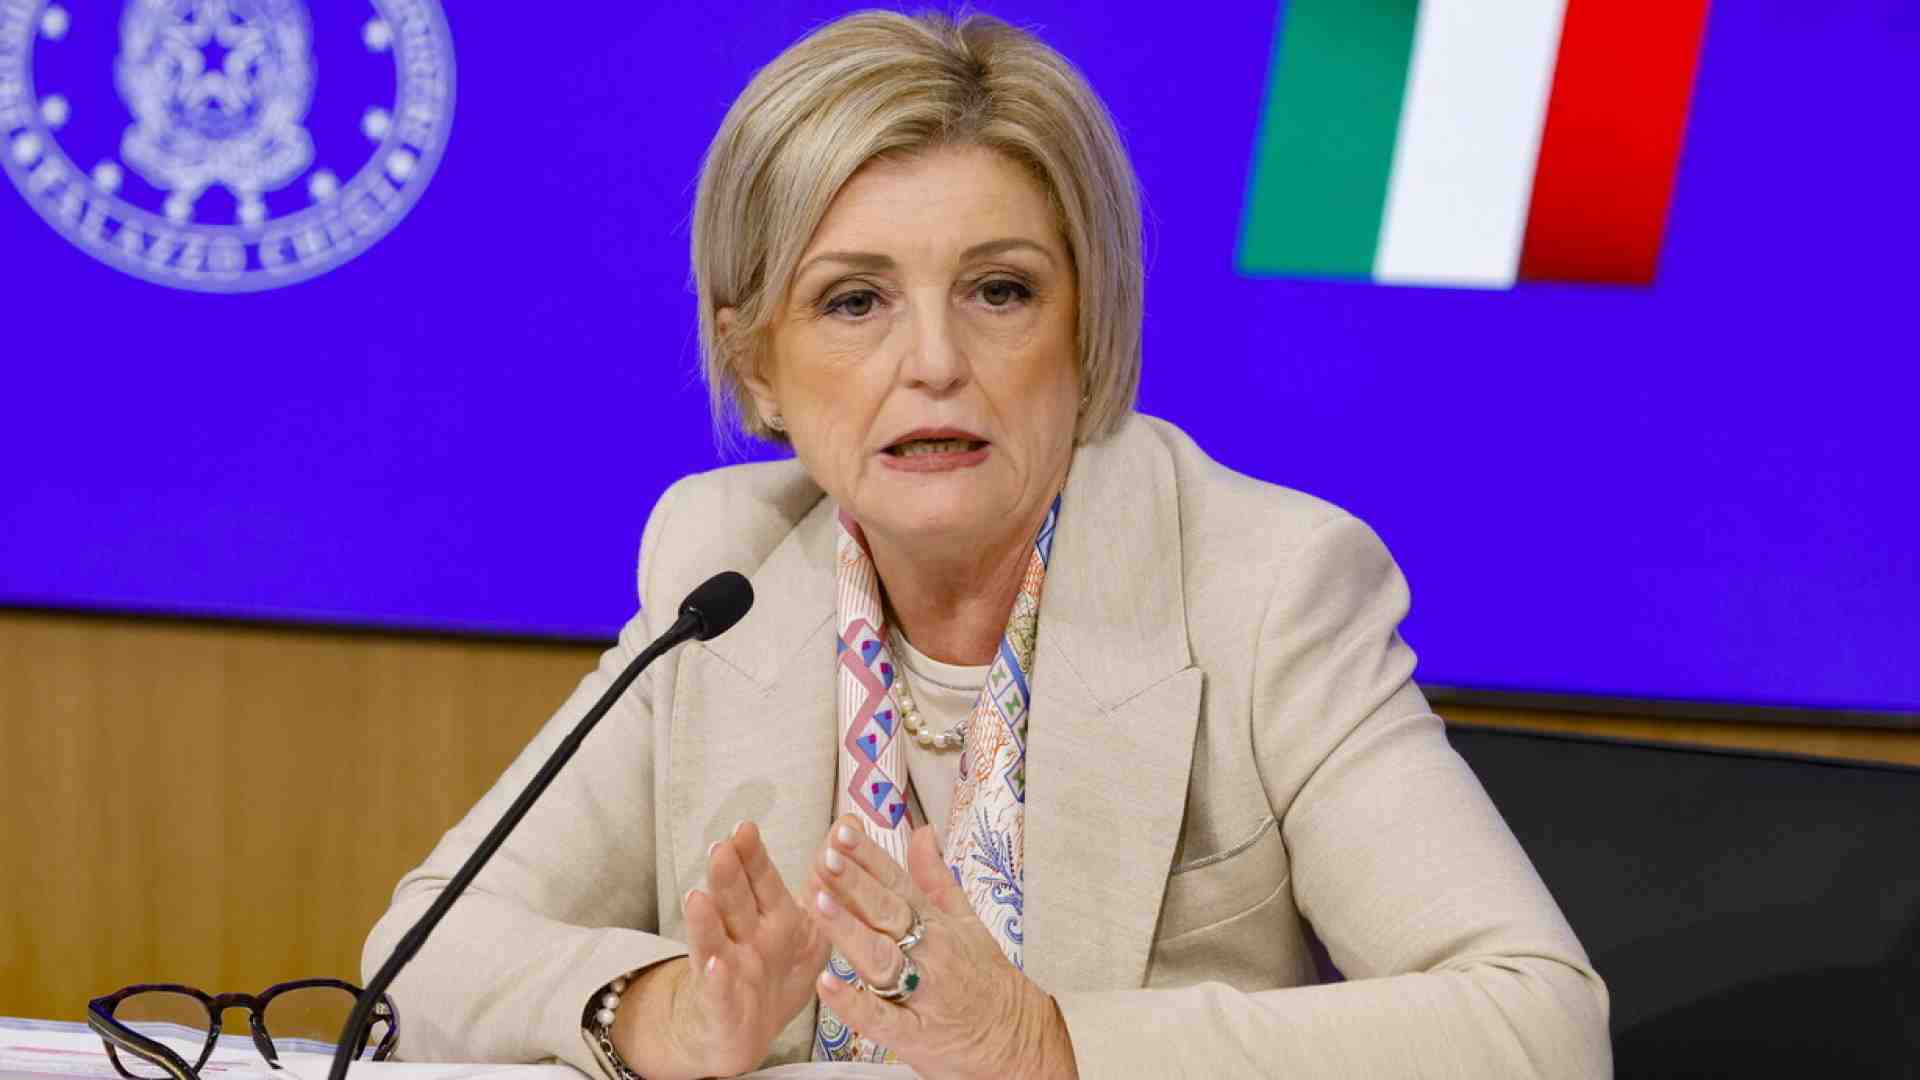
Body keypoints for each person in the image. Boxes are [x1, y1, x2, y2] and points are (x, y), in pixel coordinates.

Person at [363, 9, 1610, 1078]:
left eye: (999, 290)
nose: (935, 363)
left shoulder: (1265, 588)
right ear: (757, 368)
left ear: (1089, 326)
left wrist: (1045, 1044)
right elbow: (419, 957)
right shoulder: (728, 570)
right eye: (854, 301)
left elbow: (1539, 1025)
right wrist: (669, 1012)